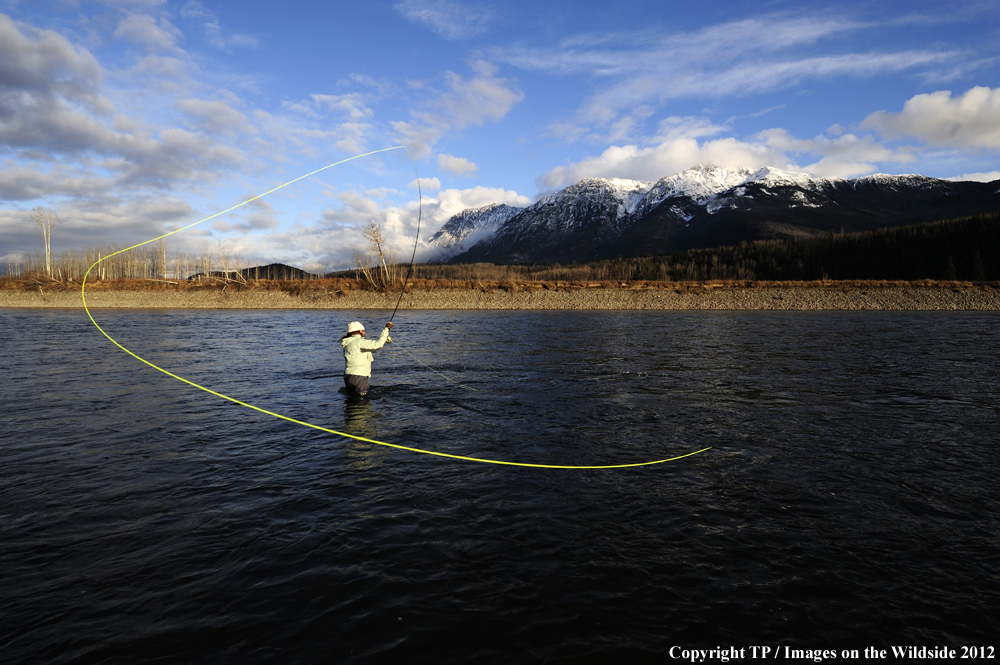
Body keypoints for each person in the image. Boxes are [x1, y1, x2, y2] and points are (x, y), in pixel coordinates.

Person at [340, 320, 392, 397]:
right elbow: (378, 344)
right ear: (358, 331)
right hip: (359, 376)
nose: (364, 333)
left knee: (352, 399)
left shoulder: (348, 343)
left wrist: (383, 341)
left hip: (348, 377)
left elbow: (367, 347)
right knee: (363, 401)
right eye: (363, 331)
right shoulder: (359, 342)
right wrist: (387, 329)